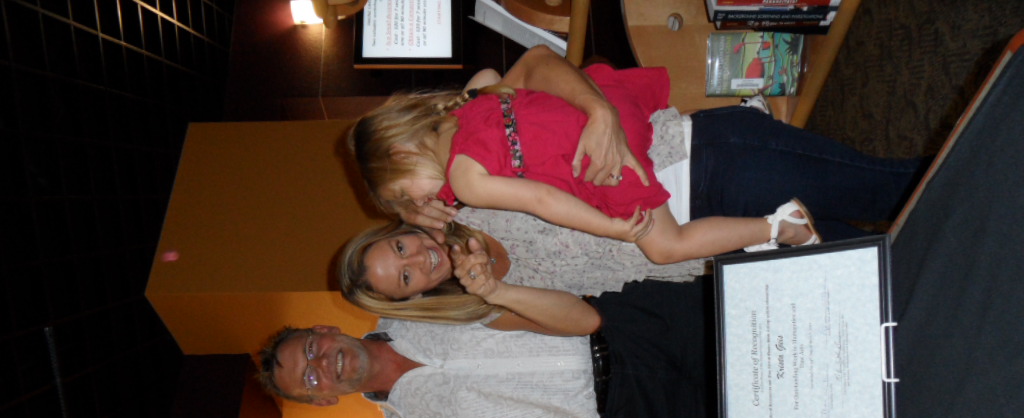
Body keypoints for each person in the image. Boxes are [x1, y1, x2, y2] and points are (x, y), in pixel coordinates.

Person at [338, 48, 927, 327]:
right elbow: (585, 322)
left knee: (898, 191)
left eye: (399, 247)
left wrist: (598, 112)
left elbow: (532, 70)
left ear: (399, 225)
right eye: (406, 278)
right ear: (416, 298)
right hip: (723, 246)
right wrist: (497, 291)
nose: (417, 259)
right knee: (889, 272)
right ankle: (780, 229)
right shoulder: (483, 305)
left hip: (699, 164)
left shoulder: (463, 186)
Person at [258, 277, 725, 418]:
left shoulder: (414, 303)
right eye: (311, 377)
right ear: (323, 400)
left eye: (312, 349)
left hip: (630, 329)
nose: (323, 363)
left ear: (324, 329)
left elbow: (510, 275)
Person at [349, 62, 820, 266]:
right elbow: (493, 78)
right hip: (607, 105)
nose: (419, 201)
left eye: (405, 193)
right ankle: (745, 113)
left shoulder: (466, 179)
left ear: (402, 154)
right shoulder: (464, 106)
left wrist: (609, 227)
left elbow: (542, 199)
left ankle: (781, 226)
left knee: (665, 247)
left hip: (601, 160)